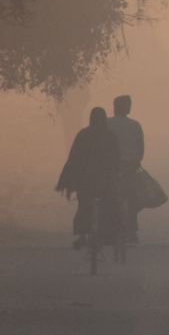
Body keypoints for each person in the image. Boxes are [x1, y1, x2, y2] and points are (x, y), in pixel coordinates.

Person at [55, 106, 121, 249]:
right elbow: (117, 158)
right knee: (109, 205)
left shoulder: (83, 135)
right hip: (105, 180)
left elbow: (74, 158)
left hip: (86, 180)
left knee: (84, 205)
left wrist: (68, 179)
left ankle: (82, 236)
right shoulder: (110, 136)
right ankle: (108, 233)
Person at [108, 94, 146, 242]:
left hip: (111, 167)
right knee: (132, 197)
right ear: (128, 108)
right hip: (130, 166)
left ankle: (110, 228)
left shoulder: (107, 123)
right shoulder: (135, 125)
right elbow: (141, 148)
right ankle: (132, 230)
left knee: (109, 196)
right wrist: (136, 161)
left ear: (115, 107)